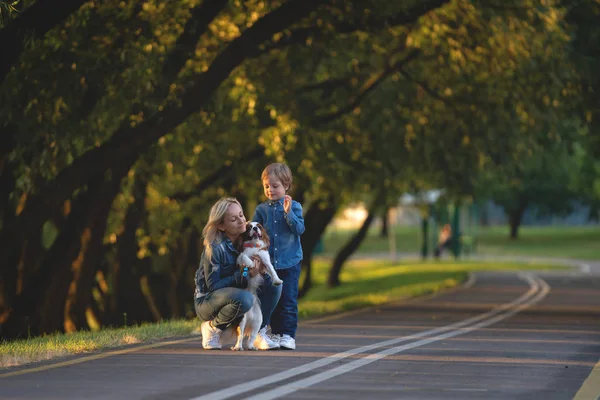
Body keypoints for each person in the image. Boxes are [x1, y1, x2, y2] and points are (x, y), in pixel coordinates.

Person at [194, 197, 282, 350]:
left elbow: (247, 272)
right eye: (234, 219)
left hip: (236, 297)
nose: (241, 221)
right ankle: (212, 328)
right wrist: (245, 272)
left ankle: (258, 331)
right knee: (246, 298)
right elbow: (214, 286)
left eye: (241, 215)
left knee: (274, 285)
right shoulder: (215, 247)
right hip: (209, 301)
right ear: (221, 226)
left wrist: (253, 270)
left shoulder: (247, 236)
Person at [252, 163, 305, 350]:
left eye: (275, 186)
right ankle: (274, 332)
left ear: (286, 186)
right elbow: (254, 232)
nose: (270, 190)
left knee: (288, 300)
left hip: (290, 262)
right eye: (267, 186)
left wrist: (288, 212)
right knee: (271, 299)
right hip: (269, 265)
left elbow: (299, 229)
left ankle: (288, 335)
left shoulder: (295, 207)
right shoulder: (261, 210)